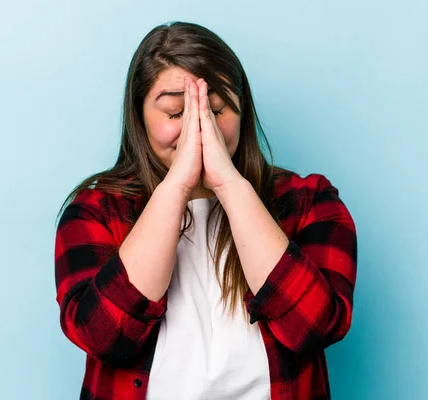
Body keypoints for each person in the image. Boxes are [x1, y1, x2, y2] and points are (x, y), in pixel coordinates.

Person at [54, 21, 357, 400]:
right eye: (176, 112)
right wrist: (178, 185)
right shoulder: (95, 211)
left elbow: (315, 327)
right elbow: (103, 336)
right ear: (140, 117)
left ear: (243, 112)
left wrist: (229, 184)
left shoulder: (310, 201)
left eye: (216, 109)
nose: (201, 128)